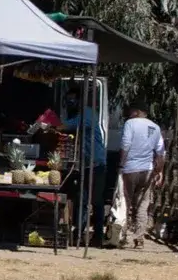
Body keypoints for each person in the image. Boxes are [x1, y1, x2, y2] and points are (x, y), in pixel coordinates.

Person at [61, 85, 108, 246]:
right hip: (87, 163)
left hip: (96, 163)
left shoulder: (86, 115)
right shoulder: (80, 114)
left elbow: (66, 126)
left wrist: (49, 123)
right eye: (68, 100)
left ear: (80, 100)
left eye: (72, 100)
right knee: (83, 198)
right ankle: (79, 232)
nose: (70, 103)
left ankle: (96, 235)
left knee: (95, 200)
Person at [118, 106, 165, 249]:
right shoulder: (155, 127)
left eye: (131, 111)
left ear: (137, 111)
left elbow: (125, 144)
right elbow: (161, 152)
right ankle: (139, 239)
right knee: (143, 205)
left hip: (130, 169)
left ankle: (123, 236)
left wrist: (121, 165)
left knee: (125, 202)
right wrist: (159, 171)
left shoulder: (130, 123)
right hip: (147, 171)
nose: (129, 114)